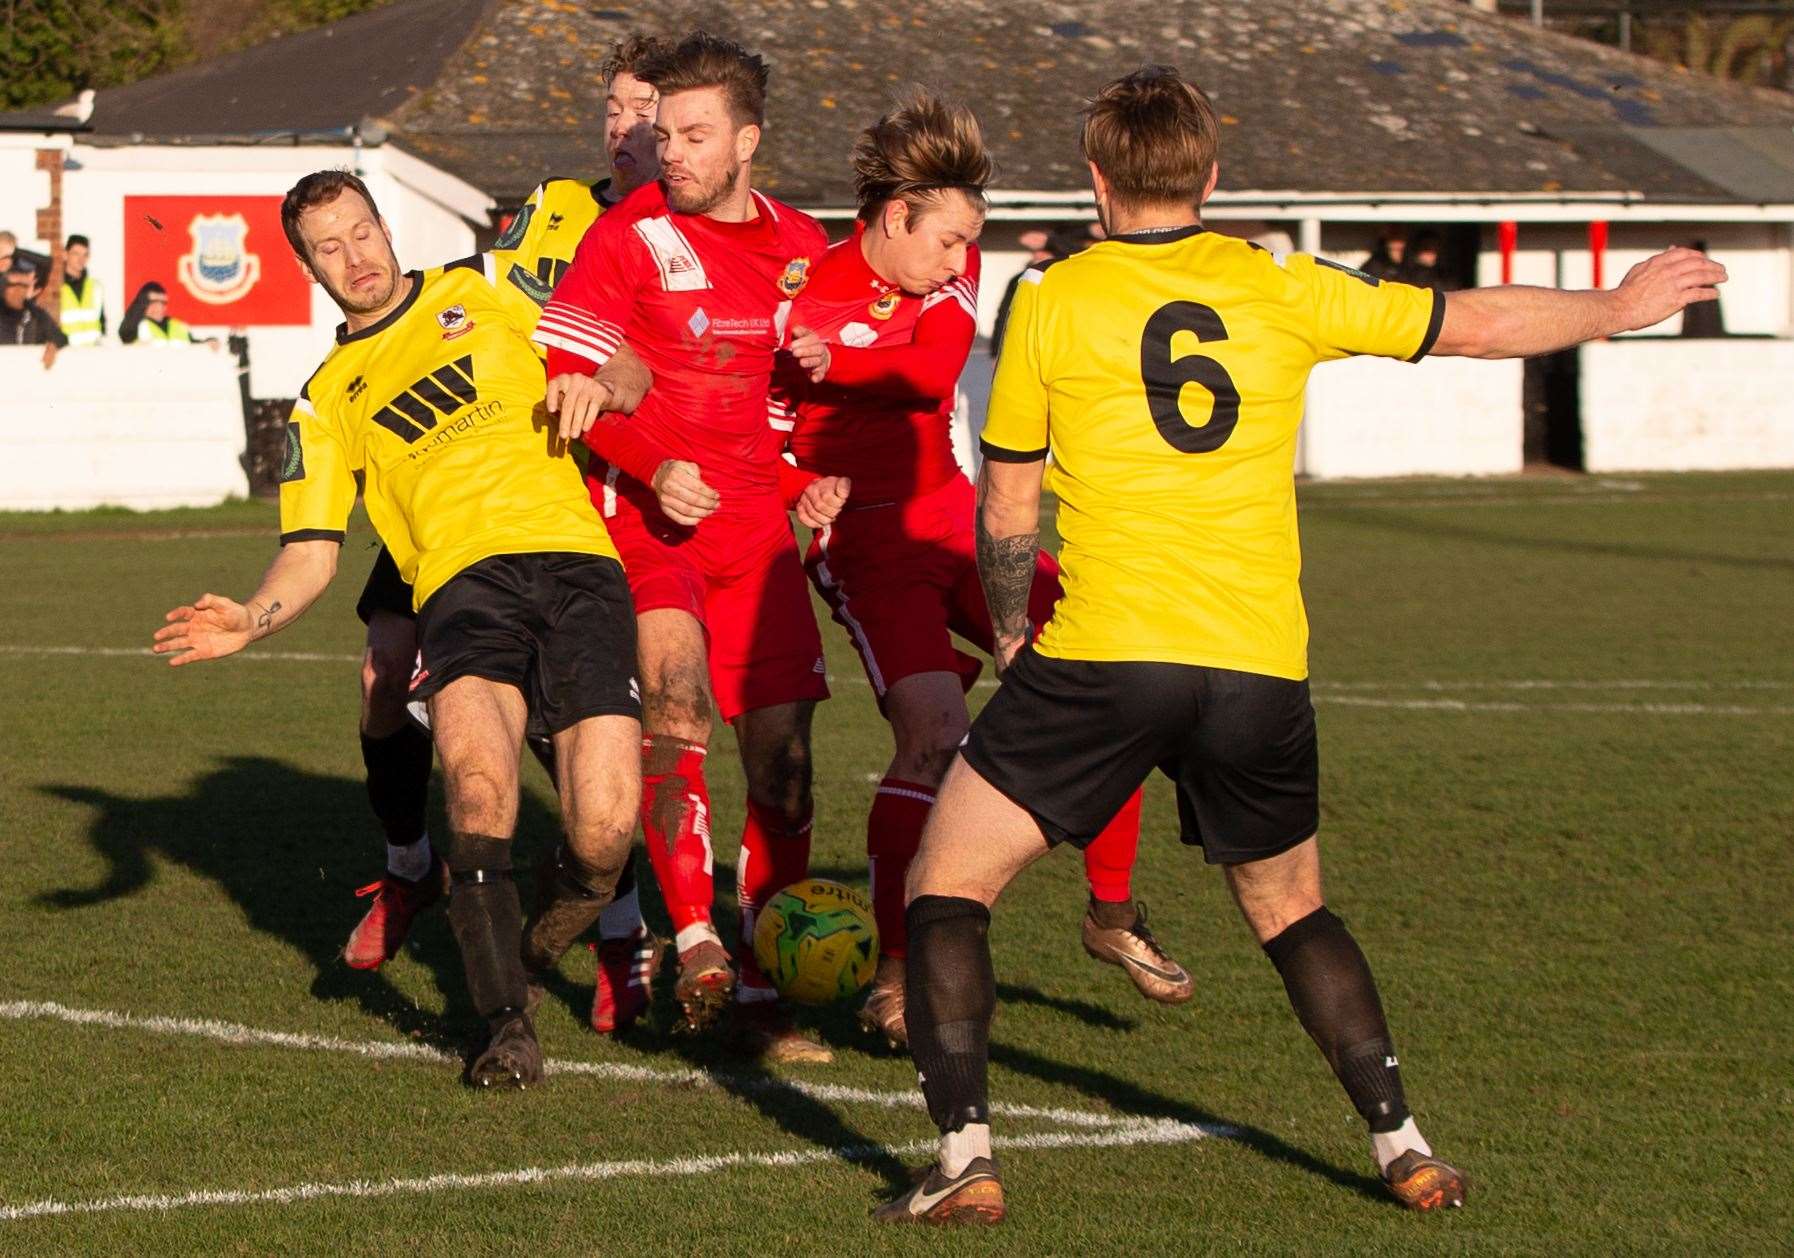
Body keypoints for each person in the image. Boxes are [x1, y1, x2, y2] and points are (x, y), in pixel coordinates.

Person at [879, 65, 1727, 1223]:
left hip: (1111, 649)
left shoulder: (1054, 301)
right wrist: (1617, 307)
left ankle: (965, 1156)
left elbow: (1009, 506)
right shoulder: (1280, 283)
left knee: (948, 883)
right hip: (1257, 660)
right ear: (1212, 178)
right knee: (1291, 910)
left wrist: (1018, 624)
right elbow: (1470, 324)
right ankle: (1404, 1145)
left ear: (1094, 180)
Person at [152, 169, 655, 1089]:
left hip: (580, 568)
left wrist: (607, 388)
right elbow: (310, 551)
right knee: (474, 791)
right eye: (329, 249)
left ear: (386, 227)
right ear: (310, 269)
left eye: (361, 233)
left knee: (605, 831)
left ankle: (530, 945)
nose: (356, 259)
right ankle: (505, 1027)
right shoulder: (328, 395)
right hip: (460, 587)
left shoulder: (490, 288)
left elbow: (625, 358)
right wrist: (252, 620)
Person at [778, 93, 1190, 1051]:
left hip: (954, 527)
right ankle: (891, 969)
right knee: (933, 737)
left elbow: (929, 373)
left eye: (970, 241)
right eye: (952, 241)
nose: (964, 261)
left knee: (1106, 672)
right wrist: (802, 486)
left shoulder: (942, 287)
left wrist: (833, 359)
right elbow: (759, 438)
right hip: (866, 552)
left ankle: (1114, 915)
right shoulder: (797, 291)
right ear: (895, 216)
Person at [344, 32, 670, 1044]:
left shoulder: (695, 235)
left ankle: (624, 926)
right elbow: (507, 307)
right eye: (612, 107)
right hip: (481, 472)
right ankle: (411, 869)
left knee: (589, 724)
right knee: (385, 670)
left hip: (605, 490)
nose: (623, 127)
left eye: (644, 110)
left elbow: (658, 364)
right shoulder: (557, 210)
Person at [536, 31, 845, 1061]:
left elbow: (808, 398)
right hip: (652, 520)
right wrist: (647, 459)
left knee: (786, 767)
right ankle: (701, 939)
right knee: (674, 706)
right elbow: (567, 387)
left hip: (760, 534)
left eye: (695, 134)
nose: (671, 151)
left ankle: (764, 983)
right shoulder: (627, 233)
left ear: (747, 140)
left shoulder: (804, 245)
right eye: (664, 133)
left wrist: (813, 469)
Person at [1, 257, 65, 369]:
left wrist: (53, 345)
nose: (18, 291)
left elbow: (60, 336)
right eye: (12, 285)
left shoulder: (35, 313)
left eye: (23, 286)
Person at [119, 282, 217, 347]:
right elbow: (125, 334)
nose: (160, 307)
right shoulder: (136, 325)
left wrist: (206, 343)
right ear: (143, 303)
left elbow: (191, 344)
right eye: (154, 302)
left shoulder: (177, 325)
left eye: (163, 302)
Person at [59, 234, 105, 346]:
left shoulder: (96, 287)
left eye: (85, 255)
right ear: (65, 255)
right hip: (66, 354)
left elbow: (102, 322)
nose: (81, 259)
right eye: (76, 254)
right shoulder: (56, 287)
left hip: (92, 354)